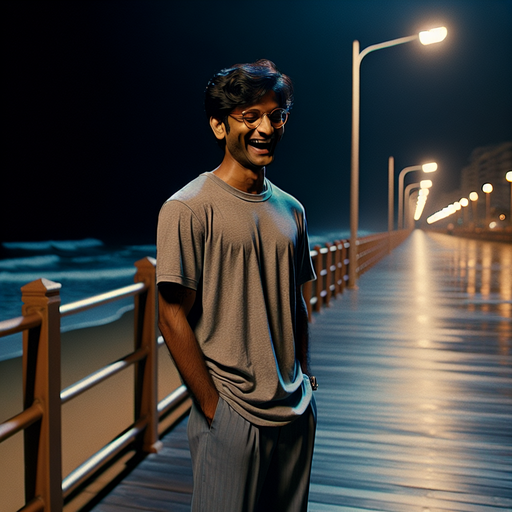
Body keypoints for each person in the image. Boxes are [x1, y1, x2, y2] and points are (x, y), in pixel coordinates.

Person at [156, 59, 317, 512]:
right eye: (250, 116)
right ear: (218, 125)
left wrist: (305, 375)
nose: (266, 127)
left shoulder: (292, 210)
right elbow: (172, 313)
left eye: (276, 114)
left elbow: (296, 302)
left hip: (296, 410)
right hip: (233, 413)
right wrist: (212, 407)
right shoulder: (188, 208)